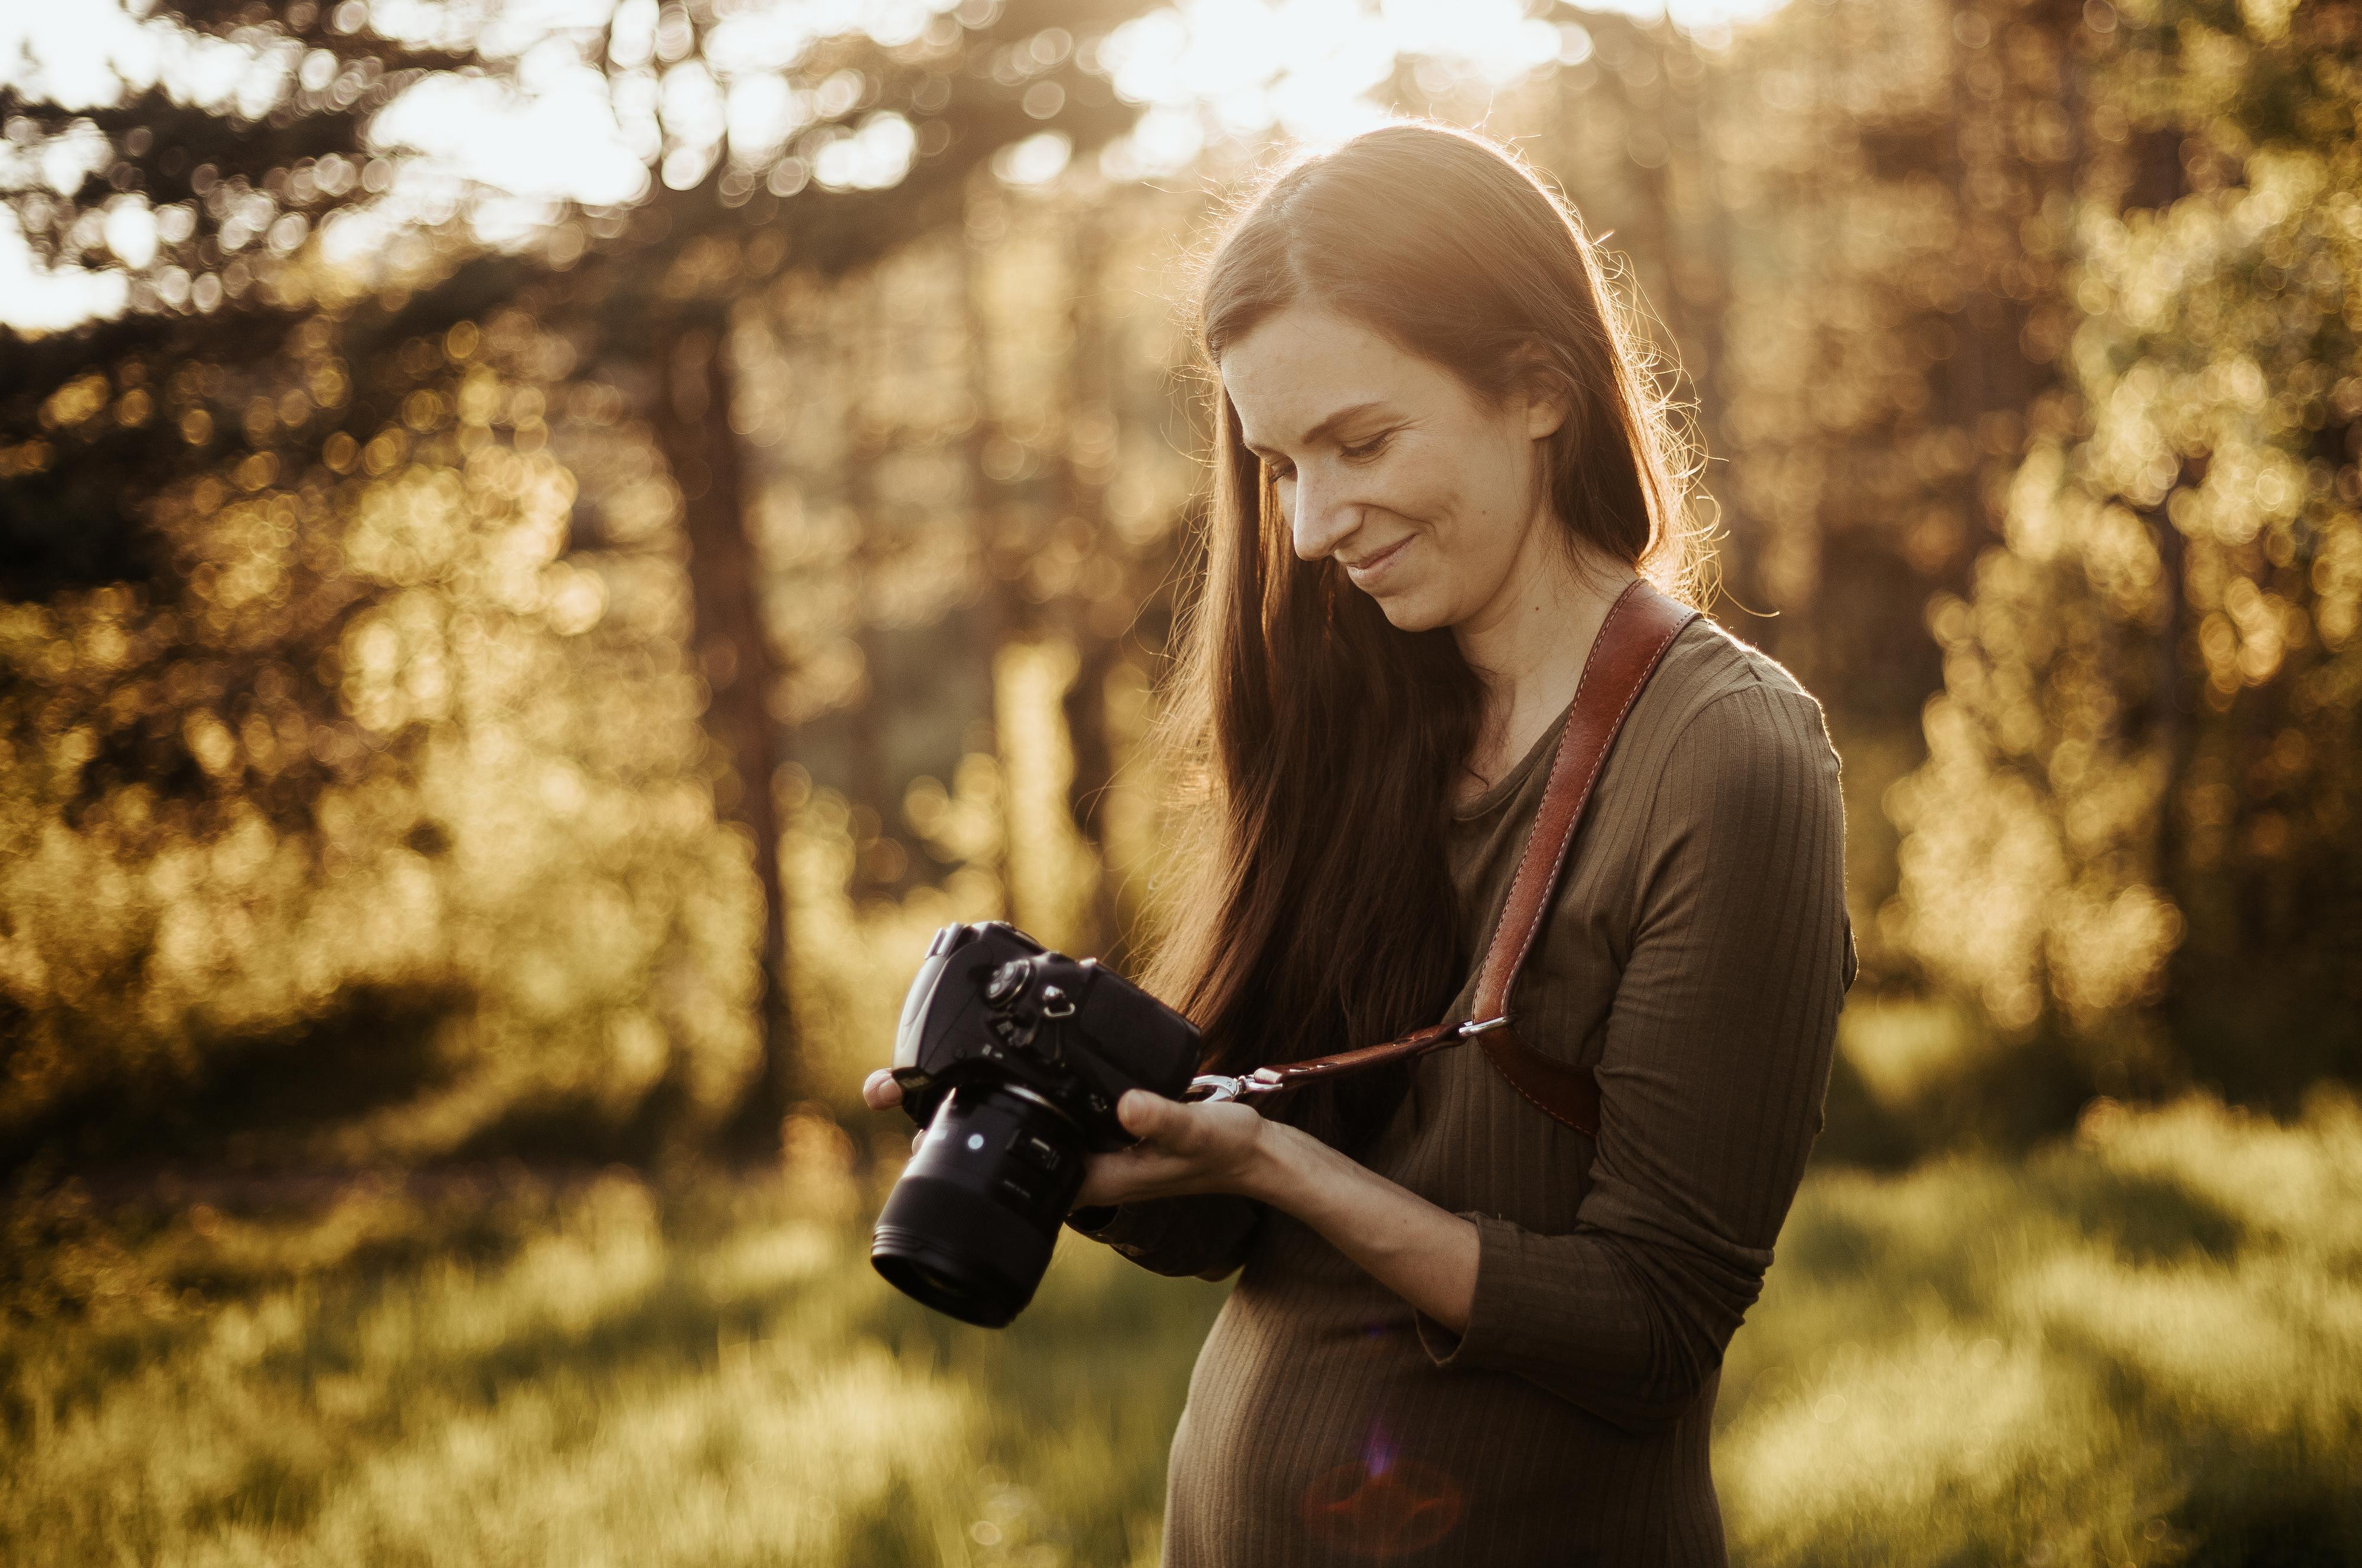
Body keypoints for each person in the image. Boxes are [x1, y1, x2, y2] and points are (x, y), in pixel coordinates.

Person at [865, 119, 1856, 1566]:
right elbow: (1253, 1233)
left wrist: (1277, 1167)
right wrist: (1083, 1151)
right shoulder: (1358, 707)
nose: (1314, 523)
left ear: (1536, 387)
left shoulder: (1728, 757)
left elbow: (1648, 1330)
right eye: (1275, 465)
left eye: (1361, 441)